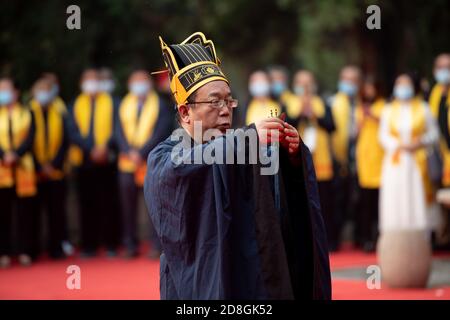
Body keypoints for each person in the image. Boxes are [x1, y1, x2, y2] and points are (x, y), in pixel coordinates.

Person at [144, 32, 331, 300]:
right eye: (214, 101)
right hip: (198, 284)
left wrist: (290, 159)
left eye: (228, 100)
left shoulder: (241, 147)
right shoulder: (166, 155)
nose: (225, 109)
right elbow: (185, 168)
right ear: (185, 112)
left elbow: (277, 207)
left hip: (247, 280)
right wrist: (248, 138)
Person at [116, 70, 172, 258]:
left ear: (149, 84)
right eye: (135, 82)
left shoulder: (161, 106)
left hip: (150, 162)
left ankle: (156, 245)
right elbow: (118, 132)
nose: (139, 86)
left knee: (154, 206)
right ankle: (130, 244)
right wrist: (128, 151)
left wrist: (140, 153)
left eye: (143, 82)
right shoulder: (123, 105)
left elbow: (161, 132)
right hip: (127, 163)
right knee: (127, 206)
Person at [68, 69, 120, 257]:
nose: (91, 84)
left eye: (94, 80)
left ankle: (111, 244)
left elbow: (117, 128)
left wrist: (104, 147)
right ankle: (89, 245)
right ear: (81, 83)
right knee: (86, 204)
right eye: (87, 80)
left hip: (107, 159)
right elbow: (72, 131)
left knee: (109, 203)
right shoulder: (75, 104)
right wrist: (91, 148)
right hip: (84, 160)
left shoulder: (113, 102)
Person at [379, 73, 438, 234]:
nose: (403, 88)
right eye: (400, 84)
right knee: (395, 194)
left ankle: (420, 232)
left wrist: (420, 142)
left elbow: (434, 133)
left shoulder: (423, 108)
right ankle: (395, 231)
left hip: (416, 157)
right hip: (396, 159)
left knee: (416, 194)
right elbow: (382, 135)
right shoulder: (388, 109)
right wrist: (399, 145)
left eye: (407, 84)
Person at [285, 70, 337, 251]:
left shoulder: (321, 102)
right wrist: (300, 112)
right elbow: (285, 123)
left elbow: (332, 126)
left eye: (308, 84)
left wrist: (315, 114)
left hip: (322, 160)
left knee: (325, 202)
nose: (305, 88)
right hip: (296, 159)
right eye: (301, 83)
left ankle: (328, 240)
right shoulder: (289, 102)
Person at [30, 78, 70, 259]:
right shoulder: (28, 113)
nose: (44, 94)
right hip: (34, 171)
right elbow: (28, 141)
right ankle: (33, 248)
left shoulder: (59, 112)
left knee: (56, 212)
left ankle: (56, 247)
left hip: (56, 169)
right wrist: (39, 166)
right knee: (33, 212)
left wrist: (53, 164)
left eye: (47, 90)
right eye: (41, 90)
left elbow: (64, 141)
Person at [0, 77, 37, 267]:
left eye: (6, 89)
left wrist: (16, 154)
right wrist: (4, 155)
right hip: (2, 169)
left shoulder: (27, 113)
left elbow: (30, 138)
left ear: (16, 92)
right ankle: (4, 252)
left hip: (23, 167)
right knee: (2, 213)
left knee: (25, 212)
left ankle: (25, 251)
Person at [329, 65, 362, 249]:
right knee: (338, 199)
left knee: (358, 199)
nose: (349, 84)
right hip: (338, 158)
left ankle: (359, 237)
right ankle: (337, 237)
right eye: (346, 79)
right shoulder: (333, 102)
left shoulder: (361, 103)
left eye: (353, 80)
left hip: (359, 158)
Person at [354, 77, 386, 252]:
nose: (368, 92)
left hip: (380, 157)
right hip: (365, 158)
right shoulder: (360, 107)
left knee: (379, 200)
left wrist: (372, 115)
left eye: (371, 88)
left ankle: (379, 236)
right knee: (365, 200)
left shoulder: (384, 106)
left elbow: (386, 124)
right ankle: (365, 238)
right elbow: (357, 130)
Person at [429, 53, 450, 248]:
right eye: (442, 67)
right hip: (441, 154)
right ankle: (444, 237)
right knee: (442, 199)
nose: (445, 71)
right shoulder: (435, 93)